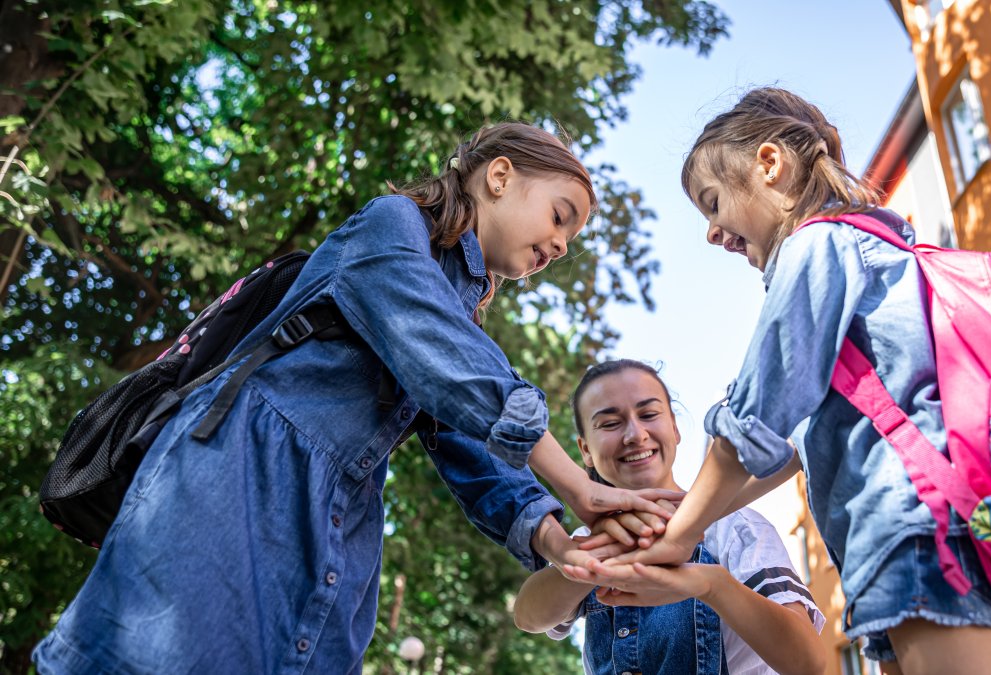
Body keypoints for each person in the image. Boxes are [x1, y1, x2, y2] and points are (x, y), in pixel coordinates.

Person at [33, 122, 675, 674]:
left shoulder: (463, 321)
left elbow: (472, 445)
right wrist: (580, 488)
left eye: (571, 239)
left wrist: (559, 542)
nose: (561, 245)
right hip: (240, 472)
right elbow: (439, 350)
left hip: (340, 514)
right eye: (560, 215)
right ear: (500, 176)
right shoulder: (390, 227)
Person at [573, 89, 991, 675]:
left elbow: (752, 421)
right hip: (893, 531)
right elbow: (791, 453)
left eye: (712, 203)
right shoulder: (870, 253)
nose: (711, 233)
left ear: (769, 164)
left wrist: (676, 537)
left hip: (910, 523)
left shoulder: (821, 245)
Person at [514, 360, 826, 675]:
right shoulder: (587, 540)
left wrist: (712, 586)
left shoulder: (736, 529)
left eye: (648, 414)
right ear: (585, 450)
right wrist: (594, 557)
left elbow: (809, 662)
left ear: (675, 428)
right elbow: (527, 616)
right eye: (610, 423)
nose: (635, 434)